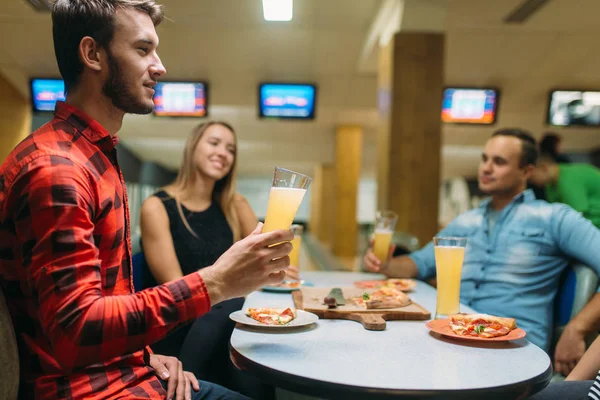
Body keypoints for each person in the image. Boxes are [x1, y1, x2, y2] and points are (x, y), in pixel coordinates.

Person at [0, 1, 293, 399]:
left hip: (122, 370)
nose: (160, 66)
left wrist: (143, 354)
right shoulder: (57, 169)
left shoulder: (93, 156)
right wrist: (218, 280)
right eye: (142, 49)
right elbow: (77, 332)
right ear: (92, 54)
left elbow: (101, 303)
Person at [364, 128, 600, 377]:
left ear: (527, 171)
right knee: (378, 359)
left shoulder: (555, 218)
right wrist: (386, 264)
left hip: (513, 350)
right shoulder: (465, 222)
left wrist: (577, 328)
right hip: (453, 335)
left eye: (499, 162)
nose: (486, 168)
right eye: (484, 159)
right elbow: (418, 264)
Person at [140, 121, 297, 397]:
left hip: (228, 322)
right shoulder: (158, 207)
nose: (223, 153)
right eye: (214, 143)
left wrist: (279, 268)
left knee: (245, 324)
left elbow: (269, 254)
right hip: (183, 328)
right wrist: (230, 283)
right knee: (234, 308)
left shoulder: (234, 205)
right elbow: (176, 291)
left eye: (231, 149)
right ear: (193, 148)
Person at [530, 156, 600, 229]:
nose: (533, 182)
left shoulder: (569, 179)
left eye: (533, 177)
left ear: (543, 168)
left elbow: (577, 217)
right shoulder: (550, 185)